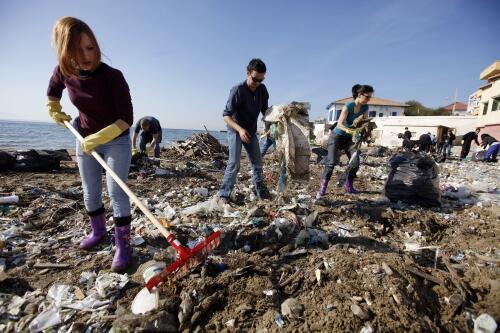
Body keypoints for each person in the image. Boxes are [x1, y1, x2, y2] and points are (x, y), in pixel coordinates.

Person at [46, 17, 133, 272]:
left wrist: (99, 137)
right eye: (77, 49)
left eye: (91, 47)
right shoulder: (63, 72)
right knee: (90, 191)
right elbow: (52, 93)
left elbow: (126, 118)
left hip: (116, 140)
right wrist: (54, 109)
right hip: (84, 138)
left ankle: (123, 245)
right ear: (65, 51)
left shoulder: (112, 77)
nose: (86, 55)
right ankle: (98, 232)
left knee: (117, 192)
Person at [218, 59, 271, 203]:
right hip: (236, 129)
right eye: (255, 79)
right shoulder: (238, 90)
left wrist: (272, 123)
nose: (257, 83)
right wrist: (240, 130)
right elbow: (226, 116)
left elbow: (265, 111)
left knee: (257, 163)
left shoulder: (262, 89)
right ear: (248, 73)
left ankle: (261, 192)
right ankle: (224, 194)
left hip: (251, 131)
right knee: (234, 163)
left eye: (261, 79)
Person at [316, 84, 373, 198]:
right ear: (359, 94)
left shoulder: (365, 108)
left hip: (349, 140)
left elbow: (364, 123)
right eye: (367, 97)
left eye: (370, 97)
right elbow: (340, 124)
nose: (368, 99)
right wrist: (351, 131)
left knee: (355, 162)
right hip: (337, 136)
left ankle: (348, 186)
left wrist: (367, 133)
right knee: (331, 163)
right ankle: (322, 189)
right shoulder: (348, 106)